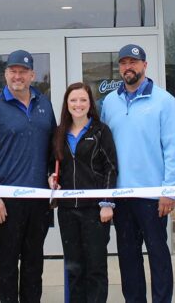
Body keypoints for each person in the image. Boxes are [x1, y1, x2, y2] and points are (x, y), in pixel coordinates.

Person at [100, 44, 175, 303]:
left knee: (158, 255)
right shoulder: (110, 102)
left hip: (153, 196)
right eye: (123, 63)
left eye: (133, 62)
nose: (128, 67)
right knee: (128, 258)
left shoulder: (164, 101)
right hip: (122, 196)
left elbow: (171, 149)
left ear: (145, 65)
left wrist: (168, 190)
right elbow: (104, 151)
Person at [0, 49, 56, 303]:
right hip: (7, 202)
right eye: (13, 71)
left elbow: (54, 147)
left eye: (23, 71)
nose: (17, 76)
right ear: (5, 74)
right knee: (9, 261)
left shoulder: (44, 104)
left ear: (32, 74)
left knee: (35, 262)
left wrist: (53, 176)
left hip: (39, 200)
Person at [49, 82, 118, 303]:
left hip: (94, 211)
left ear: (90, 104)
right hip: (68, 211)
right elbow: (52, 165)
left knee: (95, 268)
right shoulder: (59, 133)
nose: (78, 104)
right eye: (73, 100)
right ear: (66, 104)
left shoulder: (100, 131)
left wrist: (107, 202)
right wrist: (51, 177)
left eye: (83, 100)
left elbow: (111, 168)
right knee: (74, 268)